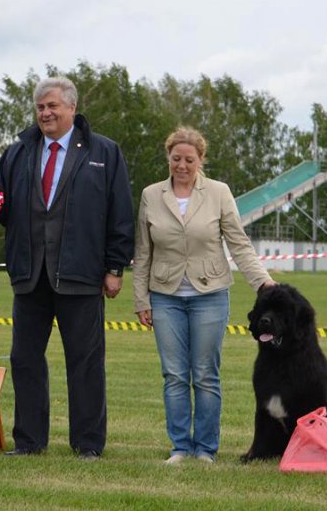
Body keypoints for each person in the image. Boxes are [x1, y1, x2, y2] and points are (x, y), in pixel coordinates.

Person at [0, 76, 135, 460]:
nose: (46, 113)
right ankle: (30, 440)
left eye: (53, 106)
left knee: (85, 361)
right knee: (24, 359)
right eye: (40, 107)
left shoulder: (105, 152)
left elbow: (120, 213)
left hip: (81, 274)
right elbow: (4, 210)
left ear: (72, 107)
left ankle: (88, 443)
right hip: (29, 274)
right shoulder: (17, 152)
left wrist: (115, 266)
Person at [132, 126, 276, 464]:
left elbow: (239, 244)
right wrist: (141, 300)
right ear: (168, 157)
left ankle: (206, 450)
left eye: (189, 159)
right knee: (174, 374)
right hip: (164, 296)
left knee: (205, 374)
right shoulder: (151, 195)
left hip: (210, 295)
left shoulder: (219, 192)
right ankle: (180, 447)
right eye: (176, 158)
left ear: (201, 160)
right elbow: (143, 252)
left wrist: (266, 286)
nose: (182, 165)